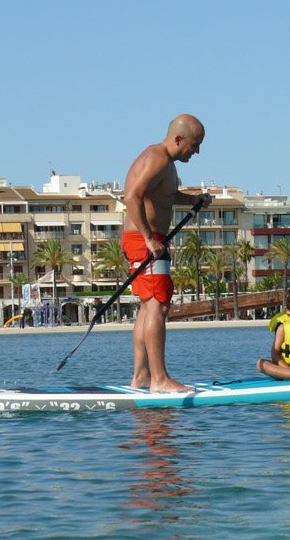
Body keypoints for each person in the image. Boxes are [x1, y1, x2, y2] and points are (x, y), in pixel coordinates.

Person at [123, 114, 211, 392]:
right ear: (178, 139)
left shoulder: (166, 164)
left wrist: (192, 199)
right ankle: (159, 379)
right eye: (194, 145)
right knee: (158, 306)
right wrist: (149, 238)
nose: (196, 151)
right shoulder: (157, 158)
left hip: (146, 239)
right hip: (144, 240)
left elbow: (166, 196)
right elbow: (131, 197)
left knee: (148, 307)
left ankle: (141, 377)